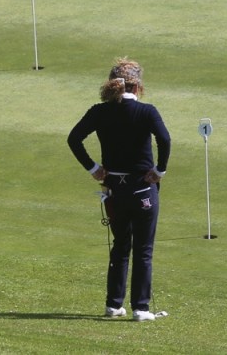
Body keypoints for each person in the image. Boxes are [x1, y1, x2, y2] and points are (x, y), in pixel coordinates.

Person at [67, 58, 171, 321]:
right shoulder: (147, 112)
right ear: (137, 87)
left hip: (113, 189)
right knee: (143, 250)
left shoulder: (100, 112)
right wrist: (159, 170)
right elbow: (165, 139)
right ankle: (141, 308)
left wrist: (93, 168)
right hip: (142, 189)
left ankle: (113, 304)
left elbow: (74, 138)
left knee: (120, 246)